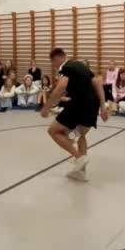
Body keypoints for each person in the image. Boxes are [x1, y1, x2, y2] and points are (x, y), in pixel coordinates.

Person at [41, 47, 108, 182]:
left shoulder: (67, 67)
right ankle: (81, 173)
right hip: (92, 105)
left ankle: (79, 157)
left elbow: (61, 87)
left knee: (53, 131)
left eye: (53, 62)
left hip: (79, 105)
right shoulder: (80, 65)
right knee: (80, 135)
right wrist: (103, 106)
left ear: (57, 58)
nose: (54, 66)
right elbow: (97, 82)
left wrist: (46, 108)